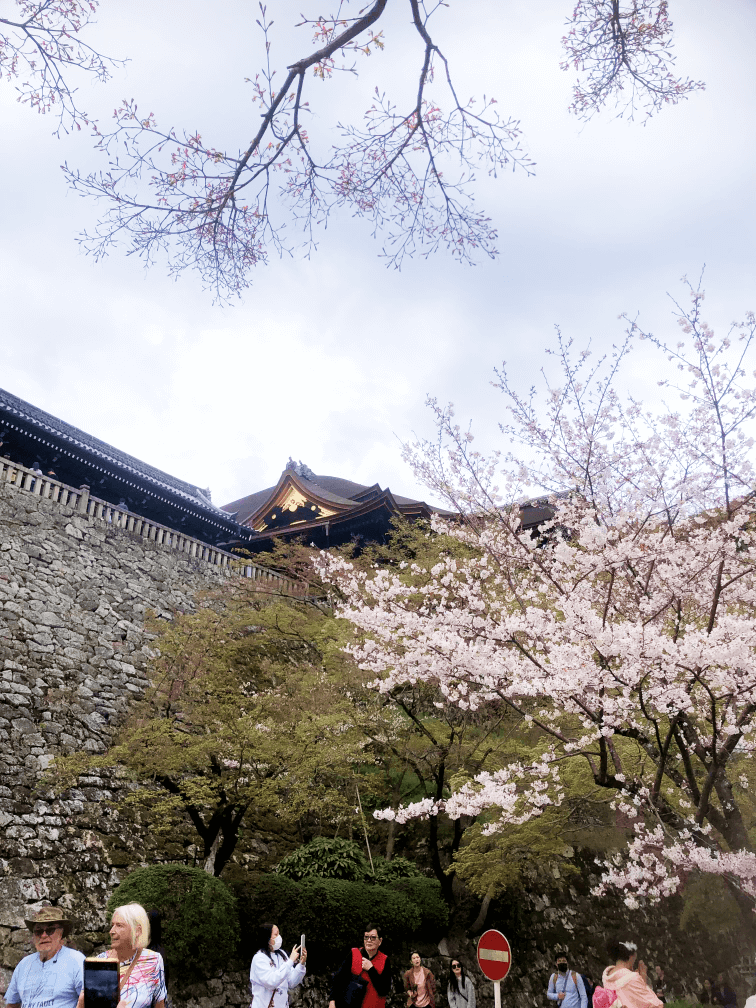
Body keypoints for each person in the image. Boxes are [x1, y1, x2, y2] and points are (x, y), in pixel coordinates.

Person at [4, 907, 84, 1008]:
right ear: (33, 936)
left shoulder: (76, 960)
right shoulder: (24, 964)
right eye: (38, 931)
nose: (43, 935)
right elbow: (12, 1004)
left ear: (61, 933)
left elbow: (88, 999)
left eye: (50, 930)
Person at [95, 902, 166, 1008]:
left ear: (137, 930)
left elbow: (159, 1004)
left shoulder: (153, 960)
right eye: (112, 925)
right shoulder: (100, 962)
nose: (111, 931)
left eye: (119, 925)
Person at [328, 925, 392, 1008]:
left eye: (373, 937)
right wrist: (332, 1001)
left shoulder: (385, 960)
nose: (369, 940)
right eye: (366, 937)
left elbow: (384, 991)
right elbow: (339, 978)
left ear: (380, 941)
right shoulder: (354, 953)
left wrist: (371, 969)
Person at [249, 923, 306, 1008]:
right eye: (276, 934)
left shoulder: (281, 955)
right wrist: (290, 961)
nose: (279, 937)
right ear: (267, 937)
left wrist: (301, 964)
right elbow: (271, 981)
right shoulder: (259, 958)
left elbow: (291, 982)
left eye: (279, 934)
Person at [602, 939, 662, 1008]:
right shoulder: (632, 978)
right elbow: (654, 1004)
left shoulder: (607, 975)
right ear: (631, 956)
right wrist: (643, 975)